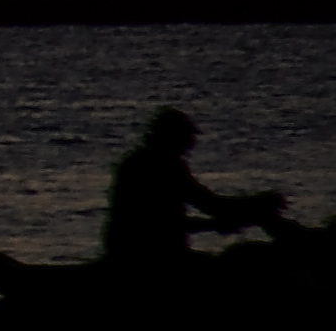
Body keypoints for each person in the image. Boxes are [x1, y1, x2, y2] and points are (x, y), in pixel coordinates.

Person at [99, 108, 285, 268]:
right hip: (150, 253)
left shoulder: (142, 162)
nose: (190, 144)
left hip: (129, 247)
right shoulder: (163, 166)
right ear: (173, 137)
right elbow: (205, 207)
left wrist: (245, 210)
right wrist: (254, 206)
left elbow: (205, 206)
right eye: (187, 137)